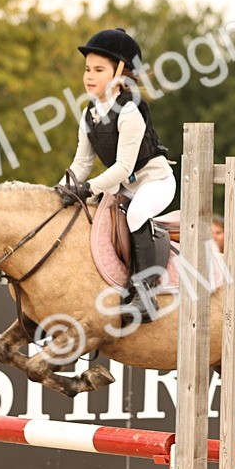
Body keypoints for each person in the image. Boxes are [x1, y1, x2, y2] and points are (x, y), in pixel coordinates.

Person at [62, 28, 175, 322]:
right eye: (88, 69)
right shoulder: (90, 114)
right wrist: (60, 189)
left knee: (136, 213)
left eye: (99, 69)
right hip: (123, 186)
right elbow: (81, 163)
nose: (89, 75)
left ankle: (145, 293)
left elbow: (124, 167)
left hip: (155, 183)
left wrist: (88, 188)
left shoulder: (130, 110)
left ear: (121, 71)